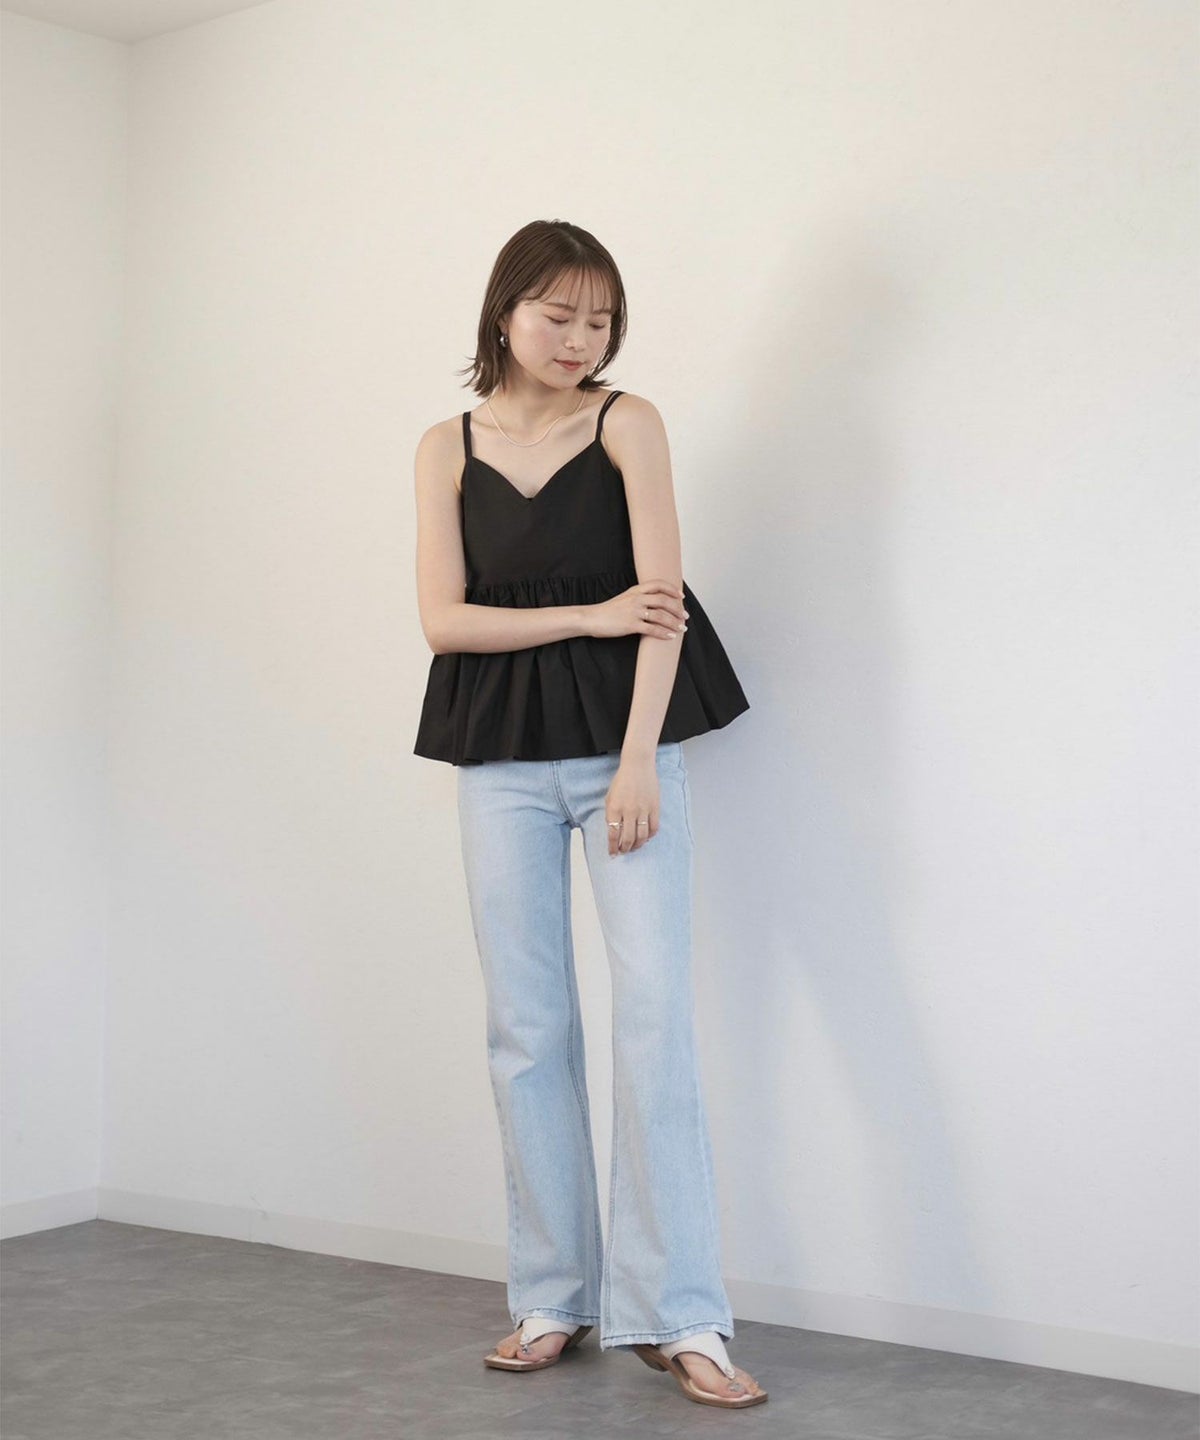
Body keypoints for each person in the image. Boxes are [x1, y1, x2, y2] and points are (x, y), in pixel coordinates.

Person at [412, 220, 766, 1409]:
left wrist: (639, 761)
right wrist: (586, 616)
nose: (580, 339)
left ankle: (684, 1316)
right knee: (526, 1029)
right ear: (505, 311)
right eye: (558, 315)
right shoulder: (446, 446)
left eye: (600, 320)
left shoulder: (628, 423)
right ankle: (552, 1297)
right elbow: (444, 622)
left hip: (626, 754)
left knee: (654, 1020)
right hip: (498, 762)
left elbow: (660, 607)